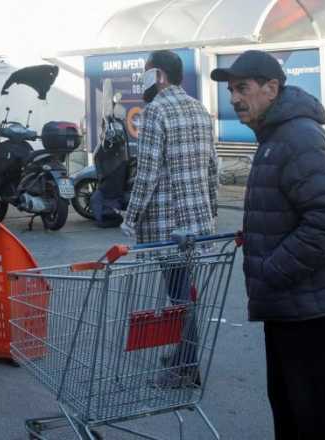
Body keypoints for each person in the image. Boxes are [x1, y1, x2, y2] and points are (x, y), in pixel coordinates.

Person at [211, 50, 325, 440]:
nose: (234, 98)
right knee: (291, 412)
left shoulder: (297, 136)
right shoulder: (276, 135)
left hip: (308, 309)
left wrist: (272, 268)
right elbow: (289, 212)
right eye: (230, 90)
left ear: (272, 88)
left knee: (311, 418)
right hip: (289, 305)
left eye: (242, 88)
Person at [121, 50, 219, 388]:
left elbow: (146, 175)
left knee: (180, 294)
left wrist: (129, 219)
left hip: (166, 223)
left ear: (159, 75)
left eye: (146, 72)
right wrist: (212, 211)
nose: (144, 78)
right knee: (185, 291)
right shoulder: (200, 109)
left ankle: (186, 365)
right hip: (197, 220)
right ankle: (183, 355)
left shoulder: (155, 111)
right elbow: (212, 168)